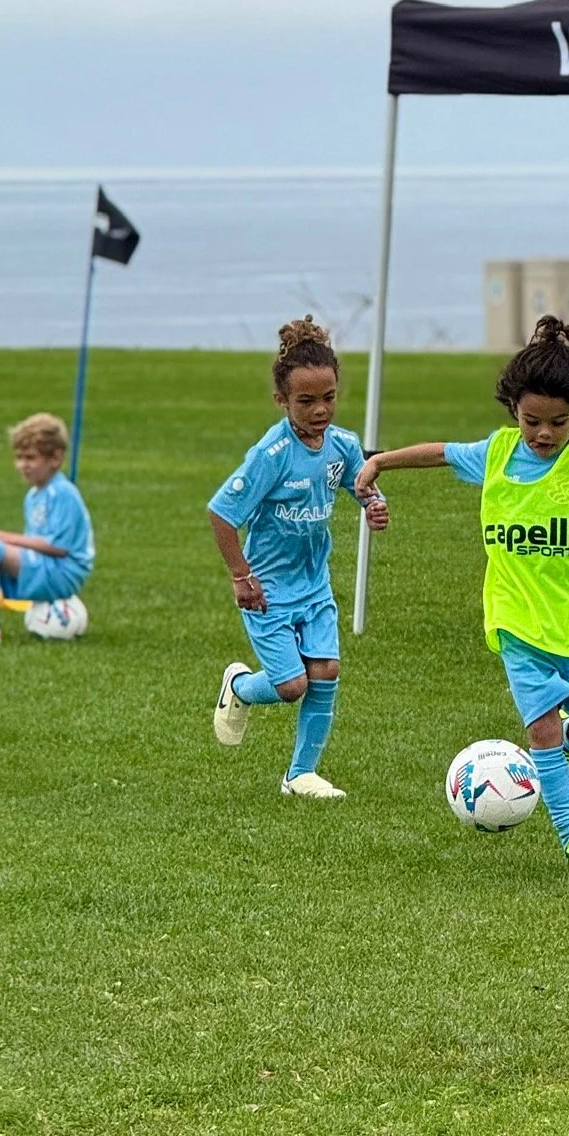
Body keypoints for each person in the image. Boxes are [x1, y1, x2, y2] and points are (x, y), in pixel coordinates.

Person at [355, 317, 569, 877]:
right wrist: (381, 460)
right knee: (537, 726)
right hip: (515, 622)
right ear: (513, 410)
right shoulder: (496, 454)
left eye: (556, 423)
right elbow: (442, 452)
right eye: (531, 420)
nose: (542, 433)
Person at [208, 318, 388, 797]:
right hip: (266, 588)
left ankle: (300, 775)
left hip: (314, 584)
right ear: (281, 401)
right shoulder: (271, 454)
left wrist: (373, 504)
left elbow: (359, 481)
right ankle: (241, 687)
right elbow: (222, 513)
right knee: (291, 687)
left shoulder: (343, 444)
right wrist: (240, 577)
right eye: (305, 401)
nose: (320, 410)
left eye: (328, 397)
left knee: (325, 671)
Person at [0, 413, 95, 644]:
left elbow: (58, 547)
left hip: (62, 572)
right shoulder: (33, 495)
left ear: (56, 458)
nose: (22, 465)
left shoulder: (63, 492)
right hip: (46, 567)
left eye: (30, 458)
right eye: (19, 458)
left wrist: (3, 537)